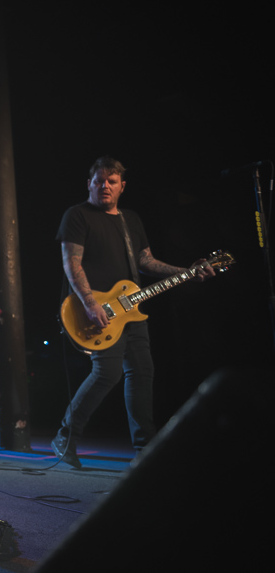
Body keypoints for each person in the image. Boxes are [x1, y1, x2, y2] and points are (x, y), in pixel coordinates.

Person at [52, 157, 214, 468]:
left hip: (131, 311)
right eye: (99, 180)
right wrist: (90, 303)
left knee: (142, 375)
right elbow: (71, 263)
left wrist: (186, 272)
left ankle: (144, 450)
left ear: (122, 186)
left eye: (111, 181)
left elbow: (146, 261)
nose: (105, 186)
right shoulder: (77, 215)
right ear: (89, 184)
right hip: (98, 310)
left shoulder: (131, 220)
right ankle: (65, 436)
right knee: (106, 373)